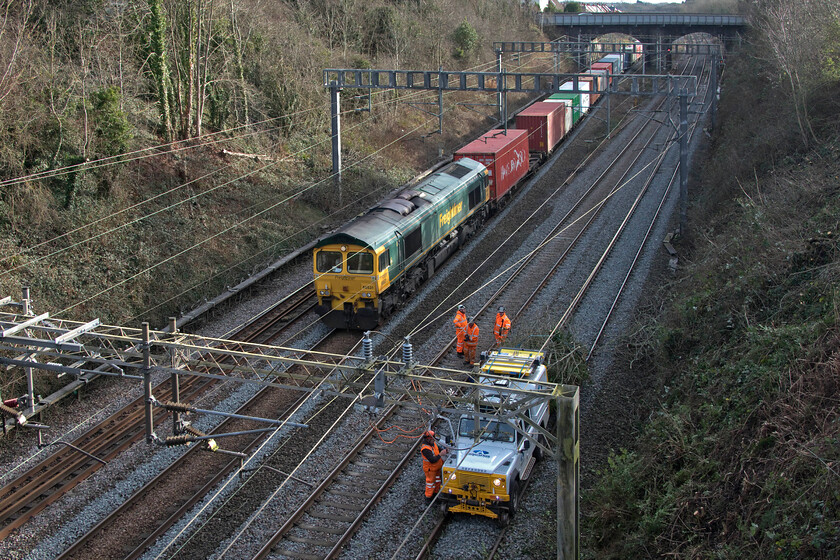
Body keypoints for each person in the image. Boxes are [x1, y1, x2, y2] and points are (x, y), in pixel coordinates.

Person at [421, 429, 447, 501]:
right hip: (430, 470)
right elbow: (432, 460)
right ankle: (428, 497)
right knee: (430, 483)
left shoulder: (433, 444)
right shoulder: (425, 449)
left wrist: (445, 450)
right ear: (428, 439)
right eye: (433, 439)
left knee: (437, 481)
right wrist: (441, 454)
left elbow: (439, 449)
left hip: (436, 468)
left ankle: (435, 495)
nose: (434, 441)